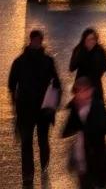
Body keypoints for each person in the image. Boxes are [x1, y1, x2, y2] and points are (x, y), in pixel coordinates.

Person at [7, 29, 62, 187]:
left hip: (29, 109)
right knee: (33, 141)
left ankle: (31, 172)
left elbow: (12, 85)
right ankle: (34, 170)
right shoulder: (45, 61)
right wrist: (53, 103)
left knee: (32, 141)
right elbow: (57, 84)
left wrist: (15, 103)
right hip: (38, 109)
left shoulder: (20, 61)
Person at [61, 75, 106, 189]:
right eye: (78, 91)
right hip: (82, 161)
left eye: (83, 91)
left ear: (90, 92)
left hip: (97, 161)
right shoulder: (74, 107)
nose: (80, 94)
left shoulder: (98, 108)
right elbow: (68, 129)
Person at [69, 29, 106, 104]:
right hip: (82, 88)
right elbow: (72, 68)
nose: (91, 42)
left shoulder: (99, 51)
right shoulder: (79, 50)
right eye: (88, 39)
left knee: (97, 111)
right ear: (84, 40)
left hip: (96, 86)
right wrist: (80, 55)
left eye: (93, 39)